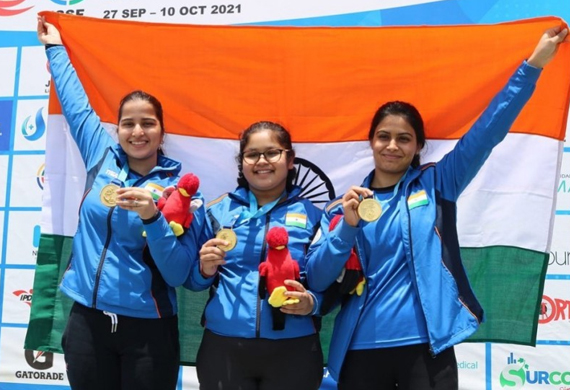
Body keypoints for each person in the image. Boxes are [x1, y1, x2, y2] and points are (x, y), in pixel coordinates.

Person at [305, 26, 568, 390]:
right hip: (360, 349)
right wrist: (346, 227)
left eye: (404, 138)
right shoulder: (342, 206)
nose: (392, 145)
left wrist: (533, 65)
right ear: (371, 142)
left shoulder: (437, 183)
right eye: (384, 136)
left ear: (418, 146)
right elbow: (316, 278)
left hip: (427, 347)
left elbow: (488, 131)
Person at [37, 17, 206, 390]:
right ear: (118, 130)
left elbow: (179, 274)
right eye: (128, 124)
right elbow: (76, 104)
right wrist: (55, 47)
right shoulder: (100, 155)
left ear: (162, 132)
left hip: (149, 328)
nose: (137, 132)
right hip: (87, 320)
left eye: (148, 123)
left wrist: (152, 217)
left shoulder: (181, 191)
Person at [184, 121, 324, 390]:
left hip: (294, 349)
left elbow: (329, 282)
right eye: (252, 154)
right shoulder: (217, 211)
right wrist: (203, 270)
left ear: (290, 159)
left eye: (272, 152)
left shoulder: (314, 216)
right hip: (224, 346)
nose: (262, 161)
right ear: (242, 162)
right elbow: (191, 281)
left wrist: (313, 303)